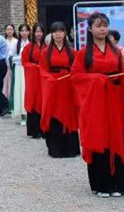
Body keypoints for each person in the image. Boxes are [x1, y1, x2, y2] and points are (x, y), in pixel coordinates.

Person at [71, 13, 124, 197]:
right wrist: (97, 80)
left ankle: (120, 184)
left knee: (117, 136)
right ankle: (102, 185)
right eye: (98, 26)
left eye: (105, 25)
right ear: (89, 29)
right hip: (96, 102)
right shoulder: (83, 53)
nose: (102, 29)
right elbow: (76, 77)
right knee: (99, 136)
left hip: (115, 99)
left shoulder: (117, 51)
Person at [39, 22, 79, 158]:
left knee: (69, 113)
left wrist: (73, 76)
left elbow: (76, 69)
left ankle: (70, 148)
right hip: (53, 86)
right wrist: (49, 79)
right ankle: (56, 148)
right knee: (53, 113)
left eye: (61, 31)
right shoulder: (45, 52)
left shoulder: (72, 52)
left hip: (67, 86)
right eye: (55, 32)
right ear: (51, 34)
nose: (58, 34)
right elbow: (42, 69)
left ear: (65, 33)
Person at [22, 23, 46, 138]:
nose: (38, 34)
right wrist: (35, 67)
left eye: (40, 32)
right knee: (33, 99)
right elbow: (24, 62)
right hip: (33, 77)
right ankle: (34, 130)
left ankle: (44, 129)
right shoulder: (28, 47)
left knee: (44, 100)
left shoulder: (47, 46)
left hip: (44, 77)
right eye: (36, 32)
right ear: (33, 33)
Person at [12, 24, 30, 125]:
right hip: (19, 69)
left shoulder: (31, 43)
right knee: (20, 91)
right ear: (19, 32)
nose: (24, 33)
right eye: (22, 31)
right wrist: (20, 59)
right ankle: (23, 115)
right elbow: (11, 57)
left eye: (26, 30)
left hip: (29, 70)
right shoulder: (16, 43)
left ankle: (29, 114)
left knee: (27, 90)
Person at [3, 24, 18, 102]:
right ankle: (6, 100)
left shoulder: (17, 41)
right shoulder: (3, 41)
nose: (9, 31)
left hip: (15, 65)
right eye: (8, 29)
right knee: (6, 83)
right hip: (5, 66)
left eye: (11, 29)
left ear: (14, 31)